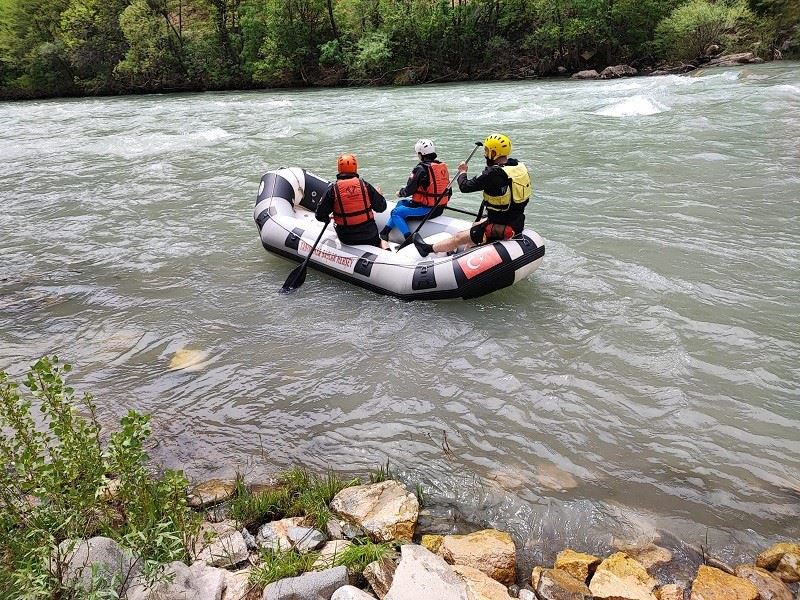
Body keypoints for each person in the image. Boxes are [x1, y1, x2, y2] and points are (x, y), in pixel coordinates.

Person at [413, 134, 530, 257]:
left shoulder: (494, 173)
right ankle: (465, 253)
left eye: (487, 151)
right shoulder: (518, 167)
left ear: (494, 153)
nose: (485, 154)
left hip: (501, 224)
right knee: (475, 225)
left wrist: (463, 172)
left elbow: (465, 186)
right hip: (517, 220)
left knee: (458, 237)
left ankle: (427, 248)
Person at [379, 139, 451, 243]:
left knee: (395, 213)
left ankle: (409, 239)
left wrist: (400, 193)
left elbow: (410, 189)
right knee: (400, 204)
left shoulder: (420, 169)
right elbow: (449, 191)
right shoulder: (442, 167)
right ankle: (385, 233)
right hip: (439, 208)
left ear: (421, 154)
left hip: (427, 210)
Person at [315, 153, 388, 249]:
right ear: (355, 168)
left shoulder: (333, 189)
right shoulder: (364, 185)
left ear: (339, 169)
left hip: (347, 238)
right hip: (370, 236)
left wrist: (328, 218)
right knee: (381, 241)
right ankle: (387, 250)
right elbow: (381, 208)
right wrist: (379, 195)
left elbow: (319, 215)